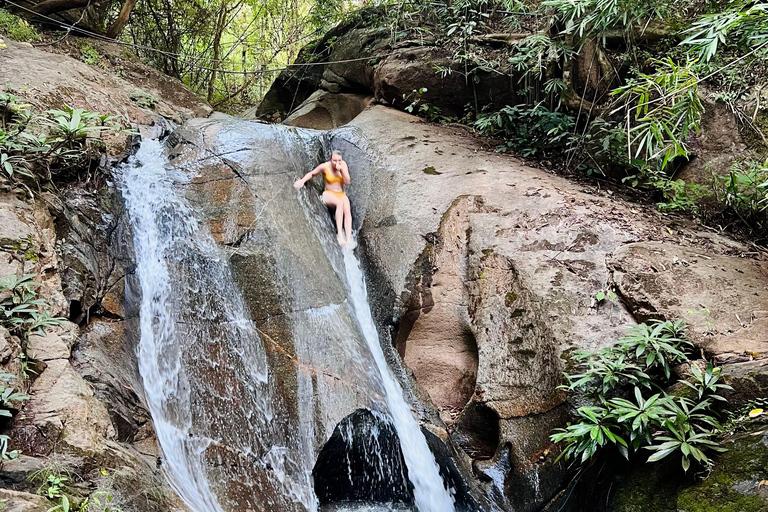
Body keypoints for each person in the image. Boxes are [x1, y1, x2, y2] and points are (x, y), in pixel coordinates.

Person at [294, 150, 352, 246]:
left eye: (339, 160)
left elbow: (347, 181)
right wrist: (302, 181)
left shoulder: (343, 165)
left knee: (347, 208)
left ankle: (349, 238)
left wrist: (341, 170)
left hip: (341, 194)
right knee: (340, 204)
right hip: (328, 194)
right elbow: (312, 174)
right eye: (334, 160)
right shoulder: (325, 166)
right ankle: (340, 235)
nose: (337, 163)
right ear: (330, 159)